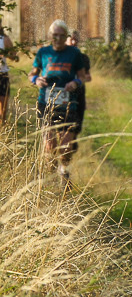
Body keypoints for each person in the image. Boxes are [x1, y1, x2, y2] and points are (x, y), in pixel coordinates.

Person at [30, 20, 87, 181]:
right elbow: (32, 73)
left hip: (68, 103)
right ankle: (50, 177)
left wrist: (75, 83)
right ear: (50, 36)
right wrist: (36, 79)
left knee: (66, 146)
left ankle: (64, 172)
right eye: (55, 35)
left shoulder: (74, 53)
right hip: (46, 102)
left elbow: (82, 76)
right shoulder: (43, 52)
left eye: (62, 35)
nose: (58, 39)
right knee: (49, 146)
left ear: (66, 36)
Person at [65, 30, 92, 152]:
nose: (74, 42)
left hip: (79, 95)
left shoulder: (83, 58)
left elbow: (88, 76)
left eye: (76, 39)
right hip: (63, 94)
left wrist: (79, 79)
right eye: (71, 39)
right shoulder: (60, 57)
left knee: (76, 125)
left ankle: (71, 145)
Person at [0, 23, 18, 124]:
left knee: (3, 107)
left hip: (2, 75)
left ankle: (2, 127)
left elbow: (15, 57)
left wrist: (5, 54)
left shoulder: (5, 39)